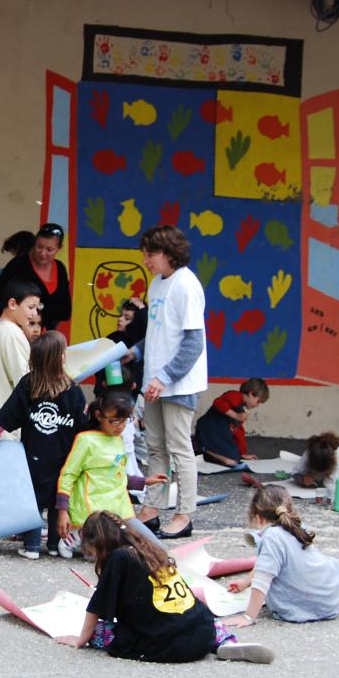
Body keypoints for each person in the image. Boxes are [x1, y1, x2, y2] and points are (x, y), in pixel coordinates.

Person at [54, 511, 274, 663]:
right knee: (200, 621)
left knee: (100, 631)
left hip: (165, 643)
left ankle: (215, 643)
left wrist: (81, 639)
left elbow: (97, 607)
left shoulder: (118, 558)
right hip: (202, 633)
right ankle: (225, 641)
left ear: (101, 542)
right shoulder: (150, 549)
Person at [132, 225, 208, 540]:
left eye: (150, 254)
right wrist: (135, 353)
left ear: (167, 253)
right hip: (155, 382)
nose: (146, 260)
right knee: (154, 447)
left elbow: (193, 343)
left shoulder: (186, 285)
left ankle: (184, 515)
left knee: (179, 449)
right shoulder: (156, 284)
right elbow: (157, 333)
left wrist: (164, 377)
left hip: (178, 384)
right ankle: (151, 509)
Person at [0, 331, 89, 559]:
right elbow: (83, 427)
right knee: (56, 500)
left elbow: (8, 412)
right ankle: (53, 544)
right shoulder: (73, 389)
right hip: (64, 457)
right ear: (61, 358)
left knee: (32, 500)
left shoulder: (29, 384)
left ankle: (32, 547)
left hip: (33, 457)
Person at [223, 485, 339, 626]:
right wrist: (246, 582)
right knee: (328, 563)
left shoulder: (271, 537)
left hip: (298, 609)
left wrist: (248, 616)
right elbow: (265, 564)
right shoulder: (297, 526)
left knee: (281, 584)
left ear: (258, 517)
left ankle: (335, 600)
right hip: (329, 594)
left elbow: (263, 578)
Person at [55, 389, 167, 558]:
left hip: (119, 507)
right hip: (93, 511)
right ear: (99, 415)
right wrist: (63, 511)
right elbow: (68, 475)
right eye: (114, 421)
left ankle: (88, 537)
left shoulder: (118, 439)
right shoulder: (86, 440)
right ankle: (78, 535)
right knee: (106, 557)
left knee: (156, 549)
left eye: (125, 421)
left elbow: (117, 476)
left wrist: (145, 481)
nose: (120, 426)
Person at [0, 224, 73, 331]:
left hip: (42, 334)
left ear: (59, 248)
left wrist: (37, 306)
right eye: (39, 247)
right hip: (16, 330)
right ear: (34, 244)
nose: (43, 253)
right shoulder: (18, 264)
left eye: (49, 249)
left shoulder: (60, 268)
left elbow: (65, 312)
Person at [0, 280, 41, 435]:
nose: (35, 314)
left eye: (37, 308)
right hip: (12, 429)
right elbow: (26, 381)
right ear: (12, 304)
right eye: (31, 307)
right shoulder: (12, 334)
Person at [195, 378, 270, 466]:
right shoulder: (235, 395)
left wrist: (243, 453)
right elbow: (218, 403)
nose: (258, 405)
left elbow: (239, 432)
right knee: (231, 460)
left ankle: (207, 453)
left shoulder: (240, 410)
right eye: (258, 401)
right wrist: (235, 415)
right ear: (251, 394)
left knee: (236, 456)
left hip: (221, 436)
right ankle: (202, 447)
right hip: (208, 431)